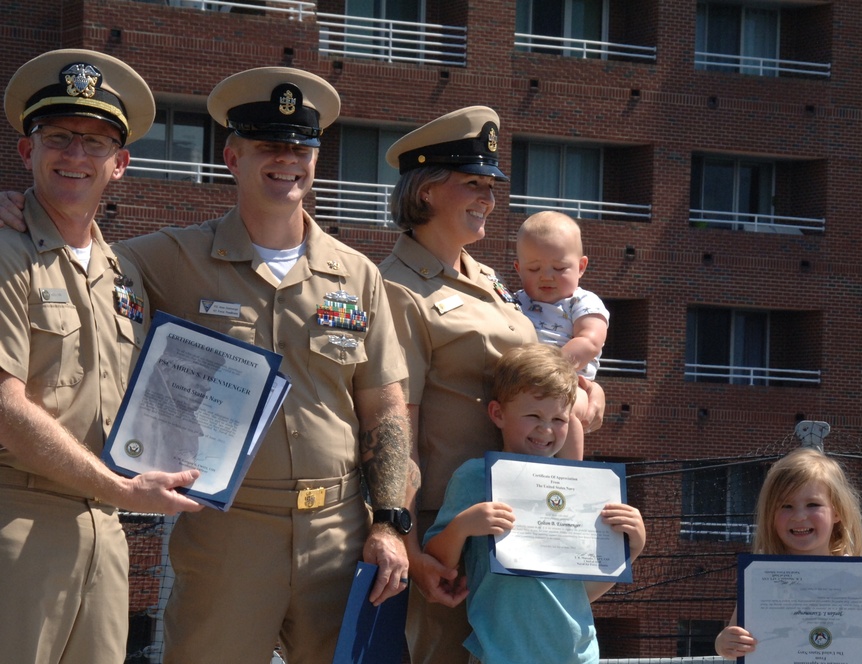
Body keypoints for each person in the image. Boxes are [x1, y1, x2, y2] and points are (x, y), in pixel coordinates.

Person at [0, 66, 414, 663]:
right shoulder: (160, 260)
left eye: (300, 147)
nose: (286, 160)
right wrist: (15, 205)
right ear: (232, 157)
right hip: (227, 533)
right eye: (268, 146)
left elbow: (387, 408)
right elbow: (65, 246)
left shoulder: (358, 275)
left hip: (338, 534)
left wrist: (390, 522)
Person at [378, 105, 607, 664]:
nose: (487, 197)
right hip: (448, 525)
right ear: (427, 192)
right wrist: (408, 541)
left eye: (491, 185)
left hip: (524, 513)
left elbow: (536, 366)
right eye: (471, 184)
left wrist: (581, 388)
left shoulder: (489, 280)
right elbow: (392, 421)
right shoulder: (397, 288)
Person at [0, 48, 204, 664]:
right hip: (19, 521)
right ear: (25, 151)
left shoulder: (125, 276)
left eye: (95, 143)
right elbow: (7, 408)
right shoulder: (7, 253)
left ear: (121, 164)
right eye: (59, 136)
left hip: (108, 533)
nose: (75, 155)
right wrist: (122, 486)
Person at [423, 343, 645, 664]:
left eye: (559, 418)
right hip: (498, 655)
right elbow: (438, 564)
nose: (546, 429)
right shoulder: (474, 477)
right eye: (533, 415)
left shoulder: (582, 489)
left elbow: (582, 595)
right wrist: (462, 527)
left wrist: (632, 547)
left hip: (578, 656)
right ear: (498, 413)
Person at [714, 446, 862, 660]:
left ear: (837, 512)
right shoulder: (760, 576)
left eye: (813, 504)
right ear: (770, 515)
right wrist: (724, 643)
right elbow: (733, 638)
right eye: (786, 506)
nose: (799, 516)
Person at [514, 210, 609, 458]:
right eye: (534, 269)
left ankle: (569, 473)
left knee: (570, 411)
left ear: (581, 267)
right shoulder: (514, 302)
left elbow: (590, 341)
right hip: (523, 384)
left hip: (569, 383)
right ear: (518, 269)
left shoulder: (583, 301)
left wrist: (552, 369)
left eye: (559, 267)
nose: (546, 276)